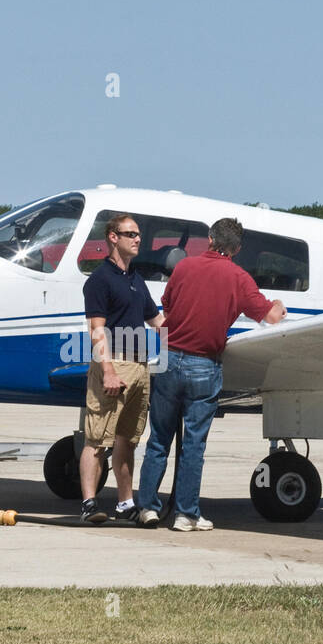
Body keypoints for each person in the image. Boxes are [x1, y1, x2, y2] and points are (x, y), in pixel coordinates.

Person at [137, 217, 286, 531]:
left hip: (168, 360)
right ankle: (185, 514)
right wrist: (279, 303)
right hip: (204, 365)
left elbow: (167, 308)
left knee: (159, 440)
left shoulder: (184, 268)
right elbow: (272, 316)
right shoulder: (239, 278)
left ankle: (147, 508)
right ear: (237, 248)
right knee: (193, 444)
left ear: (209, 239)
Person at [78, 214, 166, 523]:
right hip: (113, 365)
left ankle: (125, 504)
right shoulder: (100, 280)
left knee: (127, 440)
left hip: (139, 368)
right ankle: (89, 503)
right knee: (97, 439)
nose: (137, 239)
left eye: (138, 234)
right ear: (113, 237)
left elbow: (158, 322)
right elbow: (96, 329)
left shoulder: (135, 279)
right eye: (130, 234)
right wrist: (109, 371)